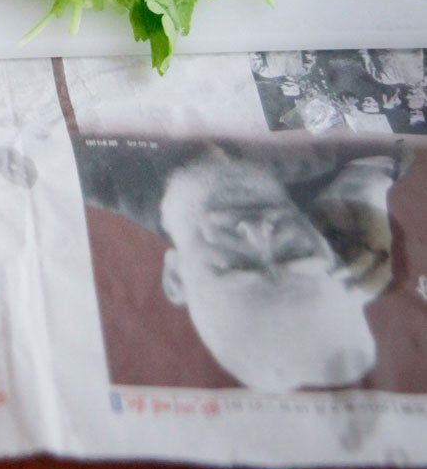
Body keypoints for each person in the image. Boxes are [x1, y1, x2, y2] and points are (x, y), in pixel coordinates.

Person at [79, 134, 409, 390]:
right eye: (295, 253)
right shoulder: (331, 162)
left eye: (235, 264)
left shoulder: (82, 168)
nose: (256, 230)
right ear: (327, 247)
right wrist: (368, 175)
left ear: (177, 277)